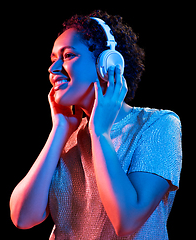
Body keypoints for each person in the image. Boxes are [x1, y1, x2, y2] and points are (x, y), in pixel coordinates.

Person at [10, 10, 182, 239]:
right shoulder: (68, 137)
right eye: (53, 60)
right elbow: (23, 217)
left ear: (108, 63)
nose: (53, 69)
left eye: (68, 56)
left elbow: (127, 220)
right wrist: (59, 129)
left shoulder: (157, 125)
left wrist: (100, 133)